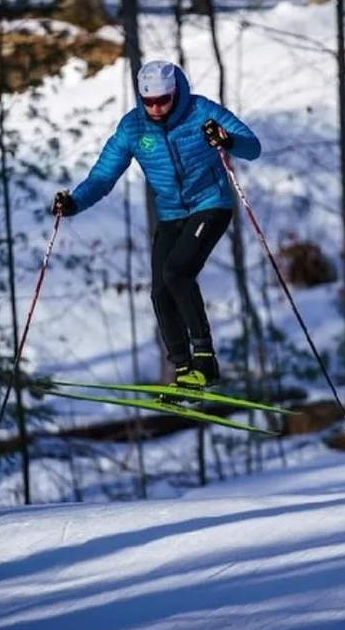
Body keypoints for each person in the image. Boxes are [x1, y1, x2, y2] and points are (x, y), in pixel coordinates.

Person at [52, 60, 262, 389]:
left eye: (162, 100)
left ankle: (205, 361)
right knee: (160, 292)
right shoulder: (133, 128)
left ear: (175, 92)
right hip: (171, 214)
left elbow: (253, 146)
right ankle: (183, 371)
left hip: (211, 205)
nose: (156, 109)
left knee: (177, 272)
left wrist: (226, 140)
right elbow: (103, 176)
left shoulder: (201, 111)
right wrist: (75, 202)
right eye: (148, 102)